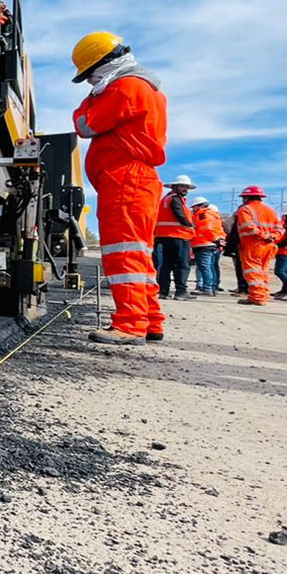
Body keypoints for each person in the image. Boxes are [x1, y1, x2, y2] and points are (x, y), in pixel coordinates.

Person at [69, 31, 167, 345]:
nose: (88, 83)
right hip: (132, 180)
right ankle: (149, 319)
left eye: (89, 76)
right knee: (138, 255)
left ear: (103, 64)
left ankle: (130, 323)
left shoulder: (126, 88)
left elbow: (85, 126)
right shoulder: (138, 87)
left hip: (126, 180)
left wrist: (88, 103)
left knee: (123, 254)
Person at [232, 186, 278, 306]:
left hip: (253, 245)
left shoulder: (245, 209)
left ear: (246, 197)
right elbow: (280, 228)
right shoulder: (270, 210)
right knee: (263, 271)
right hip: (269, 245)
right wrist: (273, 236)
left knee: (252, 271)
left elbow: (249, 226)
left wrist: (263, 236)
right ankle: (264, 295)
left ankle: (257, 297)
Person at [153, 174, 196, 300]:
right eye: (183, 186)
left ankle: (163, 291)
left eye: (187, 187)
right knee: (182, 265)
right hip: (178, 236)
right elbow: (179, 214)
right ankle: (181, 292)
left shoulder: (165, 199)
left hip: (164, 236)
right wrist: (190, 225)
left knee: (166, 265)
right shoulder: (175, 199)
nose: (185, 189)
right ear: (175, 187)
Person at [190, 197, 225, 295]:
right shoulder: (214, 215)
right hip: (212, 245)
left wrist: (215, 239)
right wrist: (219, 241)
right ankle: (213, 287)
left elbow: (207, 229)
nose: (193, 209)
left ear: (200, 206)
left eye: (194, 207)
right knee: (212, 267)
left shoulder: (202, 215)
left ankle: (207, 288)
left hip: (204, 244)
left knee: (205, 267)